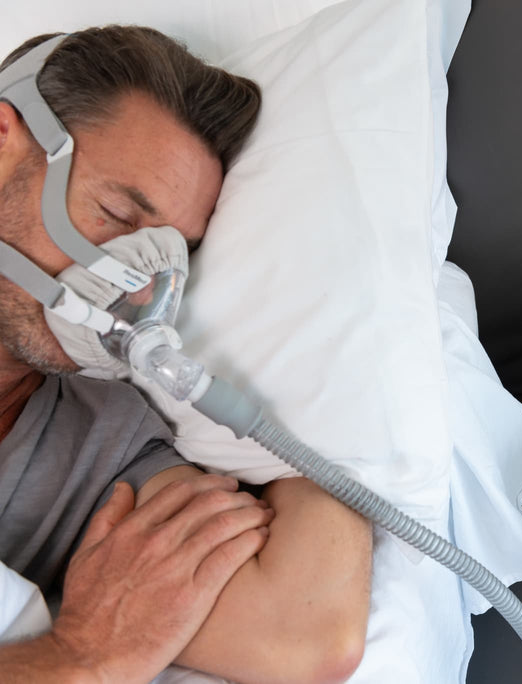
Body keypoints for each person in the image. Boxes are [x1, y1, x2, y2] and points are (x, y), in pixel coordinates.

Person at [0, 26, 372, 683]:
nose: (135, 286)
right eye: (115, 214)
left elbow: (303, 630)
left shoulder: (96, 440)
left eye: (172, 256)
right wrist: (79, 659)